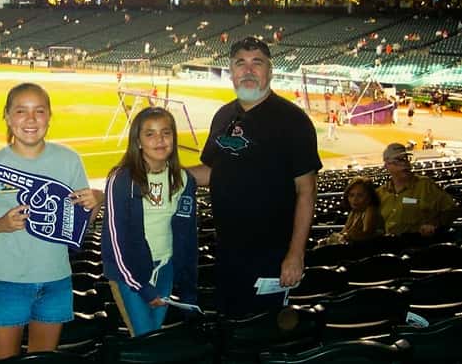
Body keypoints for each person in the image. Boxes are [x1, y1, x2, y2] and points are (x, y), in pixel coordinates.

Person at [188, 37, 321, 317]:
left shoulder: (292, 121)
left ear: (270, 71)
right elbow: (212, 172)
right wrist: (163, 173)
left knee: (261, 331)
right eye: (241, 63)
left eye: (256, 63)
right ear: (231, 71)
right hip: (226, 250)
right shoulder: (224, 116)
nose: (248, 70)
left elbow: (306, 191)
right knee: (228, 323)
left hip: (271, 254)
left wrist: (295, 254)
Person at [0, 83, 102, 360]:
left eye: (39, 111)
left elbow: (81, 227)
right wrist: (1, 225)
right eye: (21, 111)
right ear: (7, 116)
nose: (30, 120)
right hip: (6, 281)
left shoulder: (69, 160)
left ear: (49, 116)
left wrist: (96, 203)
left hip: (55, 279)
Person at [102, 107, 197, 337]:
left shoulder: (184, 180)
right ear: (138, 141)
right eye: (150, 134)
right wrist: (141, 287)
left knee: (153, 337)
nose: (160, 140)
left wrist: (188, 288)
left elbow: (188, 236)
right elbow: (115, 239)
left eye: (166, 133)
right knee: (144, 339)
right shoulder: (122, 179)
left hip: (165, 268)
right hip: (130, 273)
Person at [377, 143, 459, 237]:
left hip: (419, 244)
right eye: (399, 160)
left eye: (406, 159)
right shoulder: (380, 193)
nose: (405, 163)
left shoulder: (425, 185)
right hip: (390, 246)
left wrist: (435, 223)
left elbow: (451, 210)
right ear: (387, 165)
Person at [325, 177, 385, 245]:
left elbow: (367, 235)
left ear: (369, 197)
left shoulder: (371, 210)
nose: (354, 199)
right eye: (351, 195)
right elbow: (344, 232)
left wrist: (345, 236)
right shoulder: (354, 212)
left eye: (360, 195)